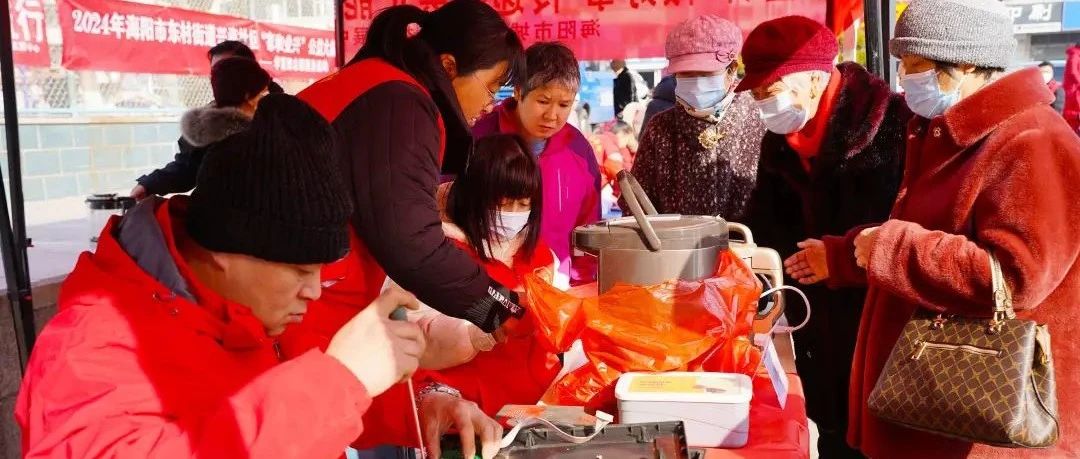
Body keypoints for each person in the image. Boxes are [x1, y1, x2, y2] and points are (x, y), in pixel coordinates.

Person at [15, 95, 429, 458]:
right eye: (301, 270)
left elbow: (281, 408)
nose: (315, 291)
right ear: (224, 251)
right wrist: (341, 382)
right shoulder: (93, 344)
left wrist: (426, 407)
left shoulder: (244, 310)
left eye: (322, 271)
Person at [835, 1, 1080, 457]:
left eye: (915, 65)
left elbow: (1013, 278)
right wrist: (850, 251)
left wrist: (891, 247)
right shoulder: (946, 131)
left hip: (982, 416)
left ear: (965, 62)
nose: (905, 79)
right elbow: (934, 231)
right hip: (931, 398)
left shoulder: (1033, 139)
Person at [295, 0, 527, 337]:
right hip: (304, 293)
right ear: (449, 66)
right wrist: (498, 308)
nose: (492, 104)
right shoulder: (400, 103)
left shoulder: (378, 82)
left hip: (308, 284)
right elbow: (412, 243)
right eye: (492, 87)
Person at [737, 15, 912, 459]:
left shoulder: (888, 125)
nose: (762, 106)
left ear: (814, 79)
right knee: (831, 436)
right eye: (755, 96)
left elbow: (905, 229)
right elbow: (765, 222)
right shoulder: (777, 141)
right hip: (815, 326)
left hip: (880, 323)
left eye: (769, 92)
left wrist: (840, 260)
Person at [411, 134, 562, 422]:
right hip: (464, 416)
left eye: (523, 204)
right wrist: (481, 328)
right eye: (503, 204)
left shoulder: (539, 255)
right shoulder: (435, 255)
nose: (513, 215)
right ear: (474, 197)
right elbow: (416, 333)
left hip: (533, 414)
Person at [473, 42, 601, 286]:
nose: (552, 116)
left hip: (556, 288)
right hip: (483, 290)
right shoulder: (478, 138)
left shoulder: (579, 151)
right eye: (543, 101)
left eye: (564, 105)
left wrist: (580, 286)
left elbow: (588, 231)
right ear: (519, 91)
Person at [631, 15, 765, 220]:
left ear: (731, 70)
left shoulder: (760, 118)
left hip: (748, 248)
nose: (696, 84)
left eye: (705, 74)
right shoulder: (660, 127)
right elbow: (637, 205)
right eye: (686, 74)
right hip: (676, 249)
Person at [131, 42, 282, 199]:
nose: (221, 78)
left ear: (250, 71)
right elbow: (187, 168)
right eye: (215, 72)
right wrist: (148, 184)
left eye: (229, 69)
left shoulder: (283, 114)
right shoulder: (207, 124)